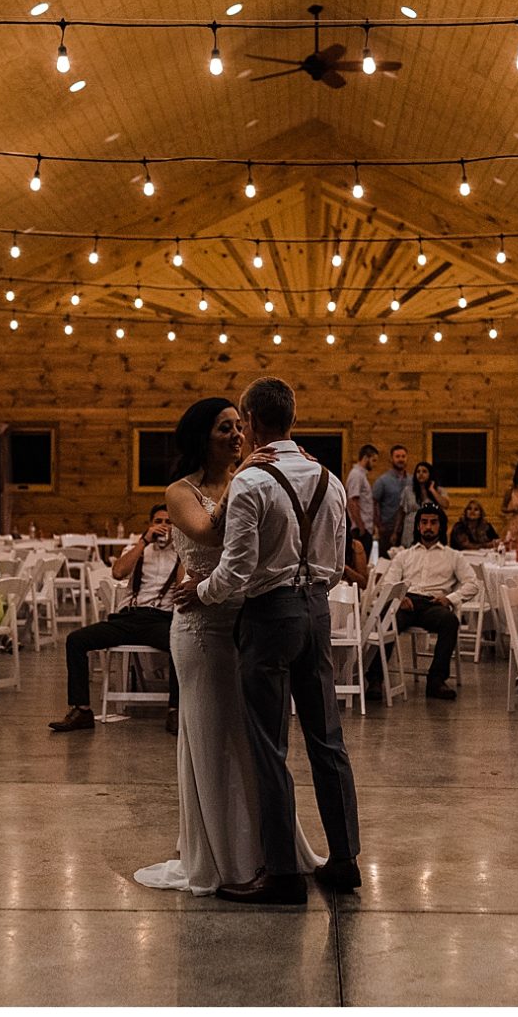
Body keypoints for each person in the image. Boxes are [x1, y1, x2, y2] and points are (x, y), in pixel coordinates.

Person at [175, 377, 358, 905]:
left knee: (268, 745)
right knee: (328, 741)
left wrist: (201, 594)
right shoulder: (329, 478)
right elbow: (339, 565)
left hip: (269, 617)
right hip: (317, 611)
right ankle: (344, 860)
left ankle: (281, 874)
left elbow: (235, 572)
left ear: (253, 421)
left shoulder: (253, 481)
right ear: (293, 420)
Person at [133, 397, 321, 896]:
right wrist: (244, 481)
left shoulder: (255, 480)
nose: (237, 436)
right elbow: (205, 533)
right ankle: (222, 857)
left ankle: (267, 851)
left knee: (253, 741)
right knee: (211, 739)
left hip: (250, 619)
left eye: (240, 427)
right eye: (224, 429)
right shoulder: (180, 492)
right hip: (200, 628)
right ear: (201, 436)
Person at [50, 504, 182, 735]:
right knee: (76, 640)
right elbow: (118, 572)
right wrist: (143, 542)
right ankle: (82, 710)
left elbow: (181, 587)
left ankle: (175, 710)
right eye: (158, 521)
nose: (163, 526)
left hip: (161, 619)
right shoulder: (137, 549)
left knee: (182, 645)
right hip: (129, 617)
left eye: (169, 522)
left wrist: (181, 547)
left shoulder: (182, 553)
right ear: (150, 525)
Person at [375, 504, 478, 701]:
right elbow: (388, 583)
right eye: (424, 522)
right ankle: (375, 679)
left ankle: (436, 681)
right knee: (386, 617)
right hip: (407, 601)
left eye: (433, 522)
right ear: (417, 526)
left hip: (434, 604)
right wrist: (398, 597)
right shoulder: (404, 555)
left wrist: (449, 599)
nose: (428, 526)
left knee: (450, 622)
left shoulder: (453, 556)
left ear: (440, 526)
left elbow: (473, 584)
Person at [393, 461, 450, 548]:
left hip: (430, 528)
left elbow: (445, 505)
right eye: (418, 471)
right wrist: (396, 532)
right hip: (410, 528)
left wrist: (432, 490)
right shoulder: (408, 491)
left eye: (424, 471)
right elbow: (401, 512)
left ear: (430, 474)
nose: (420, 474)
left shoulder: (438, 490)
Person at [372, 444, 412, 553]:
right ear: (392, 459)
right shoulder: (382, 481)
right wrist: (379, 525)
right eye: (397, 456)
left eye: (403, 456)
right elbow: (374, 503)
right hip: (388, 528)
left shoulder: (412, 480)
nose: (401, 459)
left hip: (408, 529)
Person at [345, 444, 378, 547]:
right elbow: (352, 501)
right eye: (373, 460)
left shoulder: (362, 475)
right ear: (365, 458)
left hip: (365, 526)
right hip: (360, 528)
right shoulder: (356, 475)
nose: (374, 464)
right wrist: (361, 526)